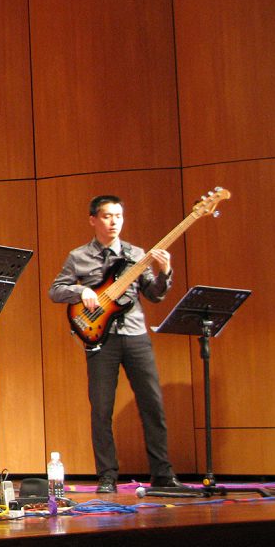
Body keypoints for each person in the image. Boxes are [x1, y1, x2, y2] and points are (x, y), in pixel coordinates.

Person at [48, 194, 184, 493]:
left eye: (118, 216)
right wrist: (80, 291)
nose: (114, 222)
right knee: (101, 409)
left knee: (152, 405)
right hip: (100, 338)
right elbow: (55, 290)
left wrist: (165, 272)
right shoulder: (78, 256)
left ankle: (162, 473)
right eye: (107, 216)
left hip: (136, 335)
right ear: (93, 220)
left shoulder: (137, 254)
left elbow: (155, 295)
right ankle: (107, 475)